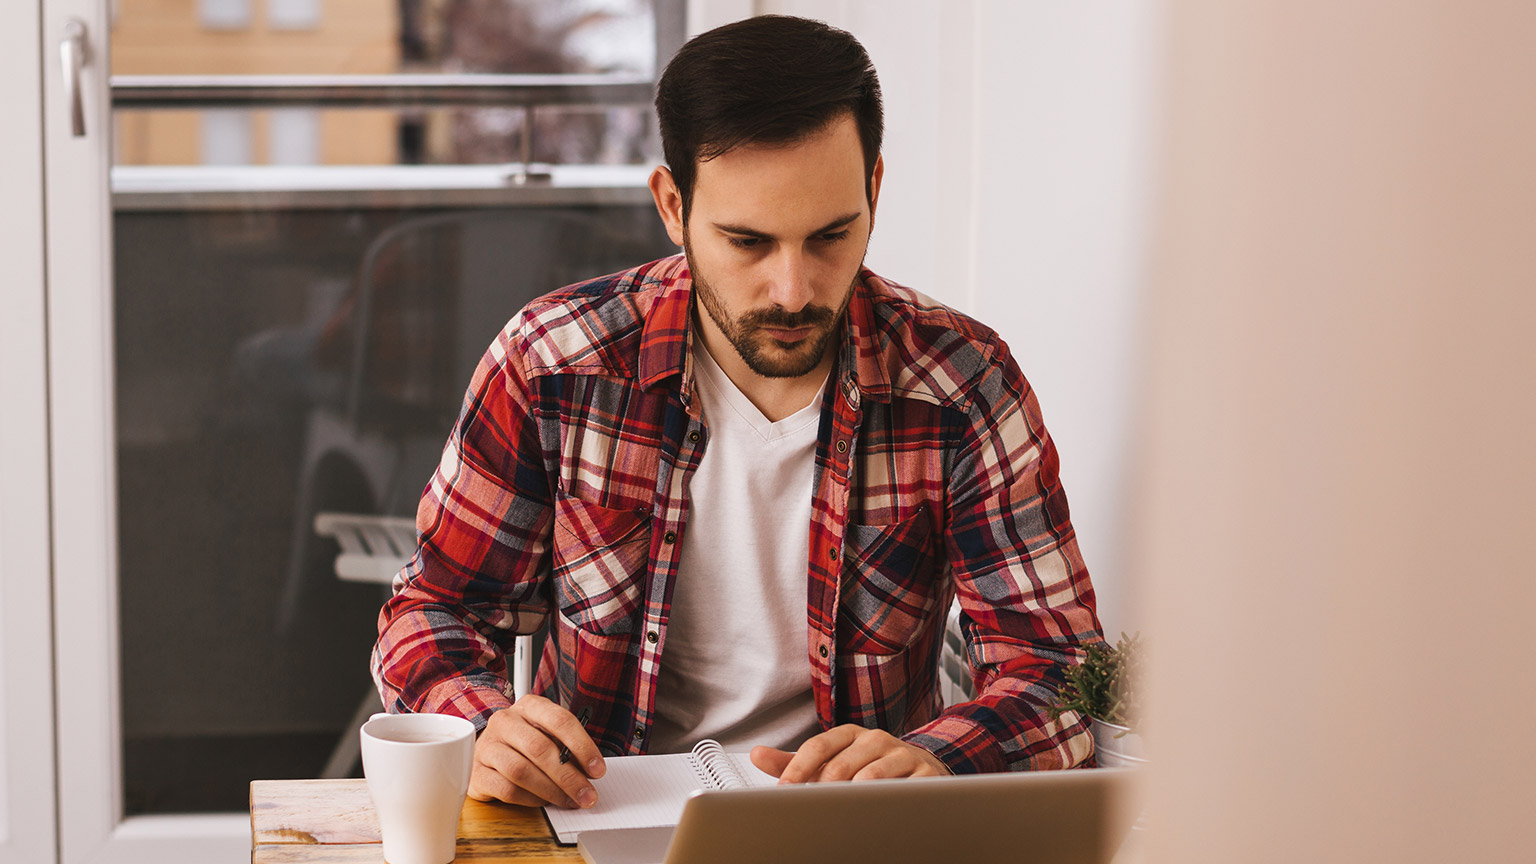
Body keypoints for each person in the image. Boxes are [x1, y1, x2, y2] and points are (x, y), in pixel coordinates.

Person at [372, 14, 1103, 812]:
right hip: (598, 815)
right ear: (671, 204)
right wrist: (482, 728)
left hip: (853, 831)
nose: (793, 290)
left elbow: (1060, 668)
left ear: (875, 190)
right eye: (748, 242)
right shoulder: (553, 364)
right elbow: (432, 612)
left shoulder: (962, 384)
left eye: (830, 236)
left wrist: (935, 761)